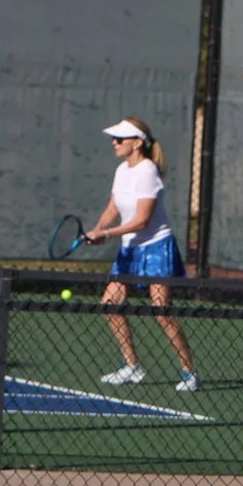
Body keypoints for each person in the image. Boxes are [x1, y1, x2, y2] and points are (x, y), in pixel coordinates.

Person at [88, 117, 199, 392]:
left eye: (120, 139)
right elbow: (113, 208)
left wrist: (108, 234)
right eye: (114, 138)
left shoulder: (148, 172)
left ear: (137, 143)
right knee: (110, 304)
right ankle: (132, 366)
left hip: (157, 247)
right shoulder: (122, 170)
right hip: (130, 249)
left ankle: (189, 372)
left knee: (161, 310)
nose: (114, 143)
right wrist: (96, 229)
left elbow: (142, 221)